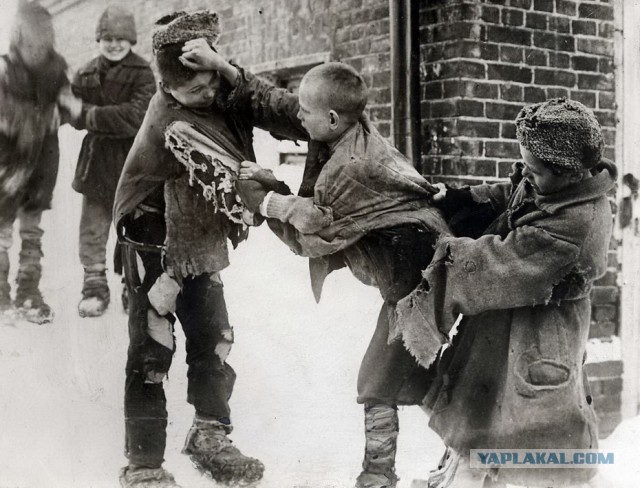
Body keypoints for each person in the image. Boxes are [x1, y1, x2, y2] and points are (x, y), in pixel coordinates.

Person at [180, 42, 451, 488]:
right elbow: (282, 106)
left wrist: (266, 198)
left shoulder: (350, 168)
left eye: (307, 114)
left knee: (379, 378)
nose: (299, 119)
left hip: (419, 276)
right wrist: (223, 68)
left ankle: (381, 476)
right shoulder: (339, 125)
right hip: (412, 270)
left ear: (330, 120)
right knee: (409, 372)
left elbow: (312, 235)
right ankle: (456, 450)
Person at [112, 11, 302, 488]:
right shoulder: (176, 122)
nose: (212, 96)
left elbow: (282, 111)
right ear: (168, 87)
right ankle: (144, 463)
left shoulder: (218, 84)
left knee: (213, 337)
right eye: (198, 92)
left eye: (214, 83)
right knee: (153, 348)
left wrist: (228, 72)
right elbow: (241, 182)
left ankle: (210, 435)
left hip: (198, 234)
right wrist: (299, 211)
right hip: (152, 234)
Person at [396, 98, 614, 488]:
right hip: (505, 330)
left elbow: (497, 265)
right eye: (524, 166)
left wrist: (440, 249)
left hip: (538, 340)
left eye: (535, 171)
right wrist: (464, 198)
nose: (525, 177)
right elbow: (513, 191)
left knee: (528, 438)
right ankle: (467, 475)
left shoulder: (577, 224)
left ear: (569, 172)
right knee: (483, 420)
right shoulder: (552, 186)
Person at [69, 5, 155, 318]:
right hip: (95, 163)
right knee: (92, 229)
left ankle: (132, 286)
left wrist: (91, 115)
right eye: (107, 37)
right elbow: (69, 109)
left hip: (133, 162)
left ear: (131, 40)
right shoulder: (86, 72)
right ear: (98, 39)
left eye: (121, 37)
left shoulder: (143, 72)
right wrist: (85, 115)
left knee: (134, 227)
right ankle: (94, 287)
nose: (114, 43)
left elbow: (135, 117)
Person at [0, 1, 81, 324]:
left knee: (32, 231)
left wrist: (67, 107)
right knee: (2, 230)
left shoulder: (57, 70)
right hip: (6, 165)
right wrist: (33, 119)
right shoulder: (5, 69)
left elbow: (69, 108)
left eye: (41, 40)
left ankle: (28, 292)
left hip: (41, 165)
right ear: (17, 38)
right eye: (28, 40)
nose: (35, 48)